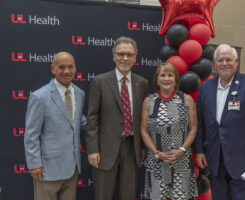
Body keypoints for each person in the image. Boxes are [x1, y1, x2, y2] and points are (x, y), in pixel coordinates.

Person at [195, 44, 245, 200]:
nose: (225, 63)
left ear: (236, 62)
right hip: (216, 159)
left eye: (228, 59)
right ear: (214, 64)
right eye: (220, 60)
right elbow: (201, 122)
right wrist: (199, 150)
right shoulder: (205, 87)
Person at [86, 36, 148, 200]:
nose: (125, 58)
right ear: (113, 56)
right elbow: (92, 118)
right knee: (103, 195)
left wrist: (141, 146)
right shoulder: (99, 81)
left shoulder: (141, 83)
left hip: (131, 148)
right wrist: (93, 149)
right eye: (121, 54)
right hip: (105, 150)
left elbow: (142, 118)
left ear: (135, 58)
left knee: (128, 195)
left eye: (129, 54)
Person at [24, 52, 85, 200]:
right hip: (47, 170)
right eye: (61, 67)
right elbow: (31, 134)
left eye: (70, 67)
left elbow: (77, 122)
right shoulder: (39, 97)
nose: (66, 71)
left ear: (75, 68)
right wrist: (34, 164)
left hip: (72, 168)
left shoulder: (79, 93)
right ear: (53, 68)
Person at [141, 63, 198, 200]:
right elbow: (143, 130)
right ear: (157, 80)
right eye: (162, 75)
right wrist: (156, 153)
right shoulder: (149, 102)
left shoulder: (187, 100)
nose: (166, 79)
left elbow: (193, 128)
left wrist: (182, 150)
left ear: (176, 80)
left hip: (181, 160)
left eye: (170, 75)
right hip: (156, 161)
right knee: (156, 197)